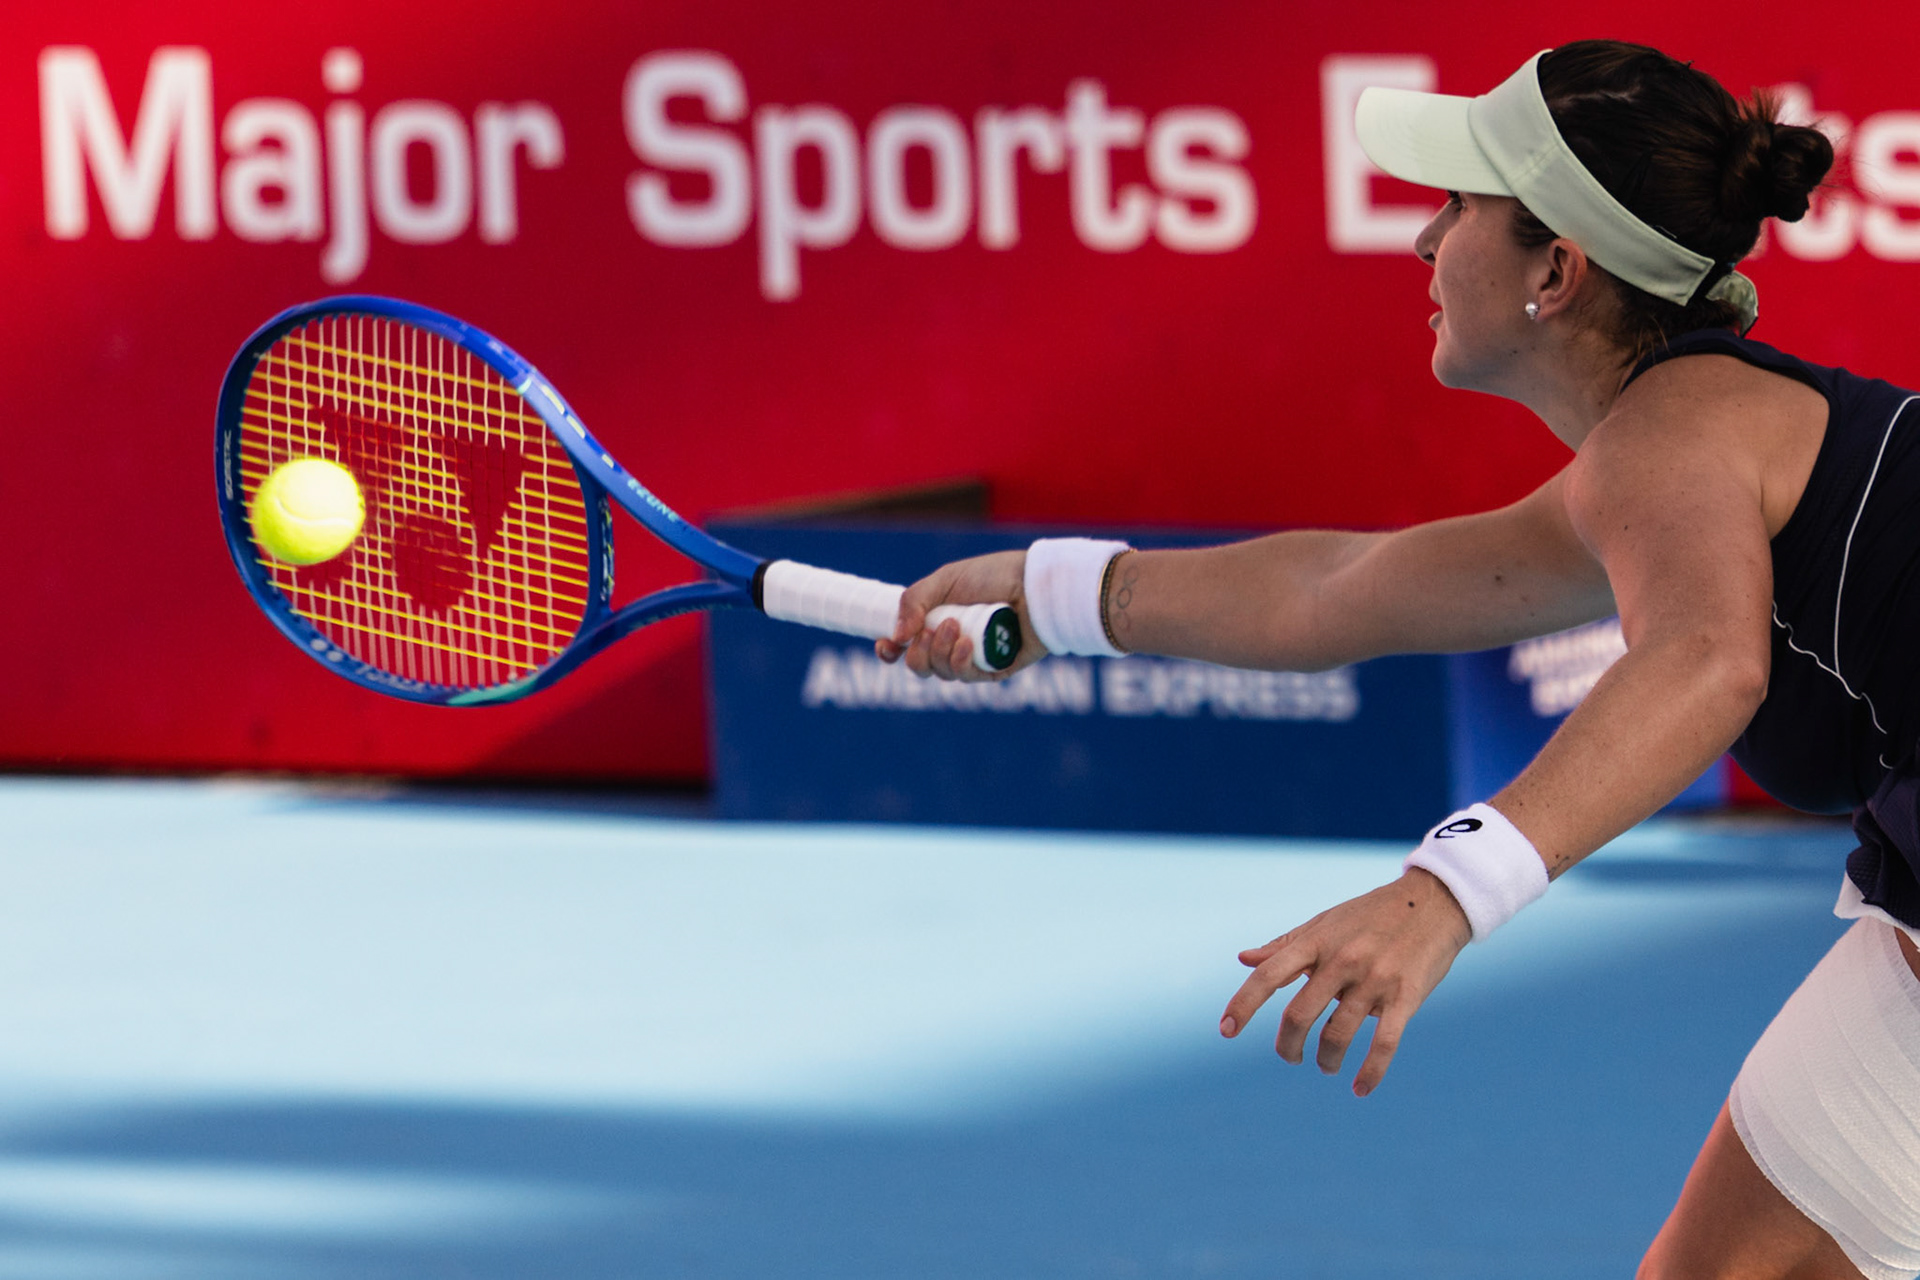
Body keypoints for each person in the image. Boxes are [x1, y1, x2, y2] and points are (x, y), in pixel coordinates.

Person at [876, 39, 1920, 1280]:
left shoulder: (1673, 440)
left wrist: (1444, 892)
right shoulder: (1668, 450)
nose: (1425, 244)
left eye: (1455, 206)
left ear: (1556, 269)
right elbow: (1339, 591)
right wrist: (1056, 593)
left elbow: (1707, 659)